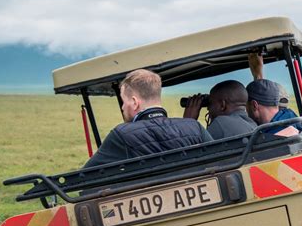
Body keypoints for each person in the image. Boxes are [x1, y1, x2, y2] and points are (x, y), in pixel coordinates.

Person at [84, 69, 212, 168]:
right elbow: (220, 160)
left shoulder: (122, 134)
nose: (123, 107)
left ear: (134, 102)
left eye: (124, 101)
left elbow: (84, 179)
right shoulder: (194, 127)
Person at [247, 53, 302, 135]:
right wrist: (258, 75)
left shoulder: (273, 135)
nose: (245, 111)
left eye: (245, 106)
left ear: (254, 105)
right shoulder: (289, 116)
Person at [183, 80, 257, 139]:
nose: (208, 108)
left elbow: (189, 153)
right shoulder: (254, 125)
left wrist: (188, 121)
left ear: (222, 105)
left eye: (210, 103)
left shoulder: (221, 123)